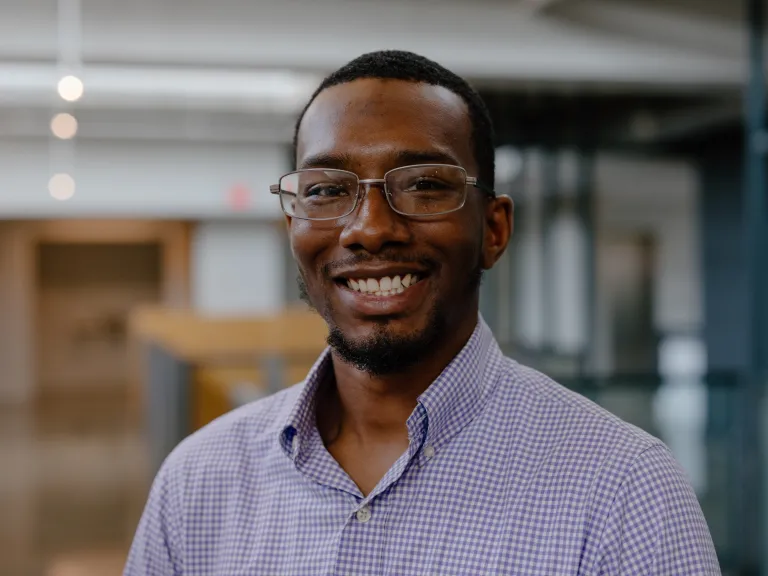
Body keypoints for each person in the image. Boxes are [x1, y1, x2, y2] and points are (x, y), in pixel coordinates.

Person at [124, 50, 720, 575]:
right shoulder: (199, 483)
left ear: (493, 229)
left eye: (425, 185)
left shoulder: (624, 490)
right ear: (294, 226)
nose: (369, 229)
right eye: (328, 190)